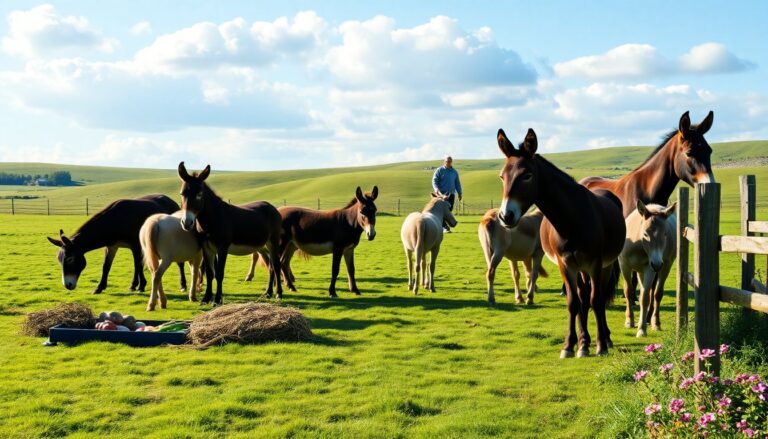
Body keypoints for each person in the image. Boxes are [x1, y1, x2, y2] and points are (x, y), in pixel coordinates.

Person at [431, 155, 462, 232]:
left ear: (451, 162)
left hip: (451, 194)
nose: (448, 163)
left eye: (450, 161)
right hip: (441, 194)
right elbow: (434, 181)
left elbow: (457, 183)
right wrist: (437, 190)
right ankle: (445, 227)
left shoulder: (454, 172)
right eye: (447, 161)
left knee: (449, 210)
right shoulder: (439, 170)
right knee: (442, 211)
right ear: (444, 162)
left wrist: (460, 193)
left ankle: (443, 226)